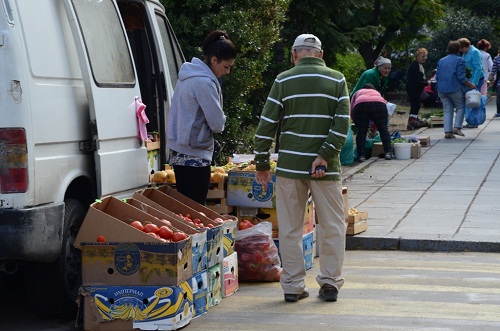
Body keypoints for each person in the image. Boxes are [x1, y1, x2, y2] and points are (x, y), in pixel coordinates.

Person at [253, 34, 349, 303]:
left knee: (290, 228)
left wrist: (262, 164)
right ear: (320, 54)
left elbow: (266, 126)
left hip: (290, 167)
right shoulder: (337, 79)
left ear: (294, 54)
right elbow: (342, 123)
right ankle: (330, 283)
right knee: (332, 226)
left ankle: (293, 286)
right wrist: (325, 155)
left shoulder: (283, 80)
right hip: (326, 168)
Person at [167, 30, 237, 204]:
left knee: (185, 211)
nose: (227, 72)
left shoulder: (186, 76)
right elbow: (217, 123)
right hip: (195, 155)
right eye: (226, 66)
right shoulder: (204, 83)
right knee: (196, 210)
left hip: (178, 151)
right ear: (214, 60)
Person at [436, 41, 476, 139]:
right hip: (454, 88)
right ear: (458, 50)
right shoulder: (460, 60)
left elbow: (437, 76)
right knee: (460, 107)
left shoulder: (441, 60)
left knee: (447, 110)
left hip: (441, 89)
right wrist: (470, 85)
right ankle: (457, 127)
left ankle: (447, 132)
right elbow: (461, 77)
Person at [351, 84, 392, 161]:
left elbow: (352, 108)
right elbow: (384, 104)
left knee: (361, 131)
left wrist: (356, 122)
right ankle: (388, 153)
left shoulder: (358, 92)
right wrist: (377, 125)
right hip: (379, 104)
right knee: (383, 129)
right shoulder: (376, 92)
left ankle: (361, 156)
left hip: (361, 104)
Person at [457, 38, 484, 128]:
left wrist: (474, 83)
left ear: (465, 46)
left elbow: (478, 68)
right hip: (469, 80)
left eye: (461, 48)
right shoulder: (465, 53)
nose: (460, 51)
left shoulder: (475, 52)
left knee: (474, 100)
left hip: (476, 79)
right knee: (470, 100)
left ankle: (475, 121)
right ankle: (470, 120)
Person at [406, 48, 429, 130]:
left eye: (425, 56)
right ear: (417, 56)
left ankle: (414, 119)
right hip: (414, 88)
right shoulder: (416, 66)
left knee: (417, 104)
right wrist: (427, 83)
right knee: (415, 104)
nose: (424, 58)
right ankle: (412, 120)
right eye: (422, 56)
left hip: (415, 88)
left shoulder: (418, 65)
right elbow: (417, 80)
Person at [488, 48, 500, 118]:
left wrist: (490, 80)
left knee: (499, 97)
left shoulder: (497, 58)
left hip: (499, 81)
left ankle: (499, 112)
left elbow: (493, 71)